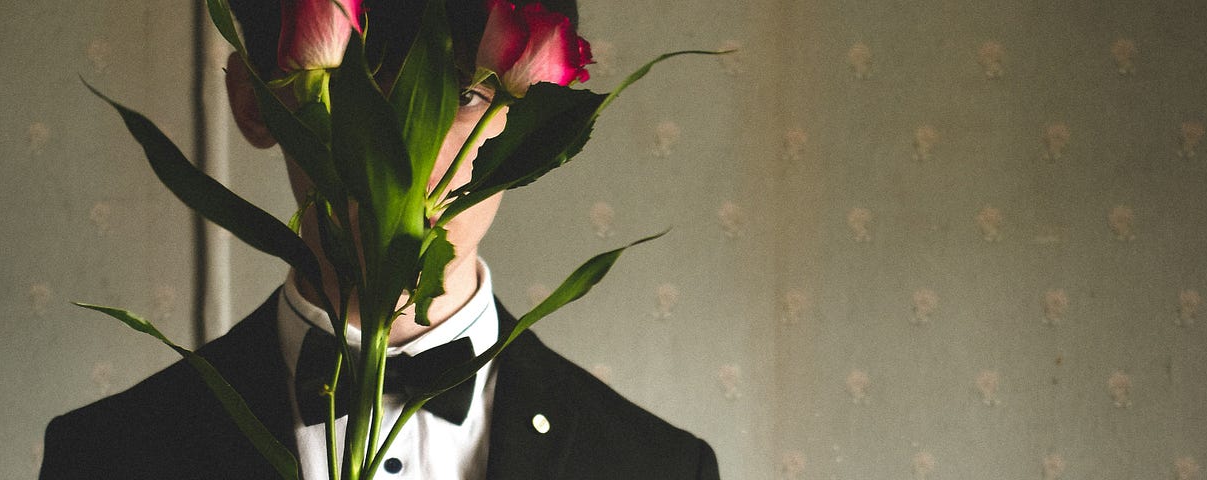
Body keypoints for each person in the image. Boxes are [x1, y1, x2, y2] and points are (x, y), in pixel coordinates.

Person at [39, 1, 718, 478]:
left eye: (459, 92)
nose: (397, 149)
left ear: (538, 122)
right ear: (255, 101)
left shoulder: (655, 466)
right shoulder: (106, 457)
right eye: (353, 87)